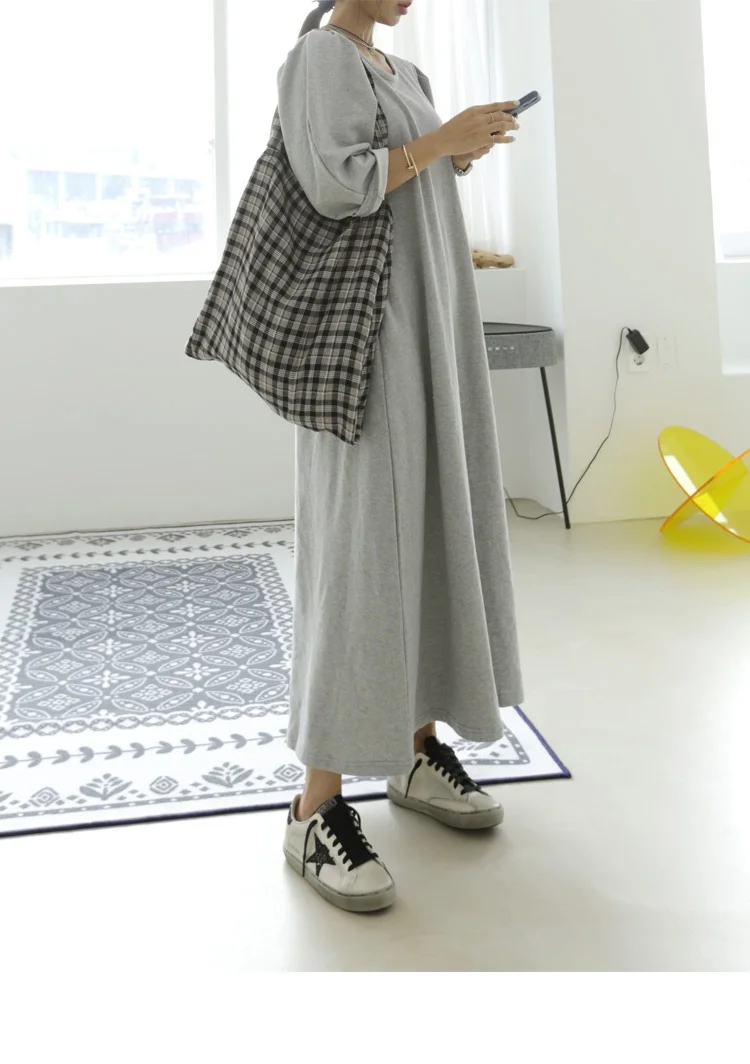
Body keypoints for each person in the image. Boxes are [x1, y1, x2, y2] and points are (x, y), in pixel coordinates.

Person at [280, 0, 524, 913]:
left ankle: (416, 752)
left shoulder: (404, 71)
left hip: (431, 323)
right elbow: (335, 185)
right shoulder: (320, 57)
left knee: (428, 530)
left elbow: (401, 174)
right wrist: (439, 142)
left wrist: (456, 150)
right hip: (369, 337)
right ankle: (314, 808)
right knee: (364, 557)